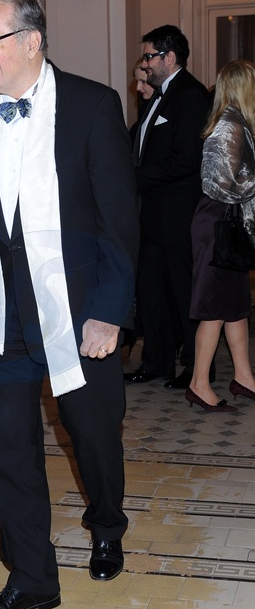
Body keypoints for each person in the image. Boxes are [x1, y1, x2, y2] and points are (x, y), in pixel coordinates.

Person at [0, 0, 139, 609]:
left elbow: (119, 219)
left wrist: (109, 311)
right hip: (2, 312)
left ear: (32, 41)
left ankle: (107, 524)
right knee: (9, 451)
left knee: (93, 435)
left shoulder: (91, 105)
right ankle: (32, 578)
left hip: (77, 311)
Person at [125, 25, 211, 390]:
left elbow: (186, 160)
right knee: (151, 292)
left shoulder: (190, 95)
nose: (145, 64)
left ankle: (195, 368)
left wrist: (133, 178)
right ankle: (157, 362)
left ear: (169, 57)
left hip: (178, 217)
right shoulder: (158, 96)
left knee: (185, 295)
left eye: (149, 56)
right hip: (153, 217)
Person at [186, 60, 255, 412]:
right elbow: (216, 184)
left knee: (236, 306)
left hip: (229, 224)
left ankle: (244, 376)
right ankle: (199, 384)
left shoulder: (239, 123)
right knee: (214, 307)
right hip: (217, 224)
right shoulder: (228, 125)